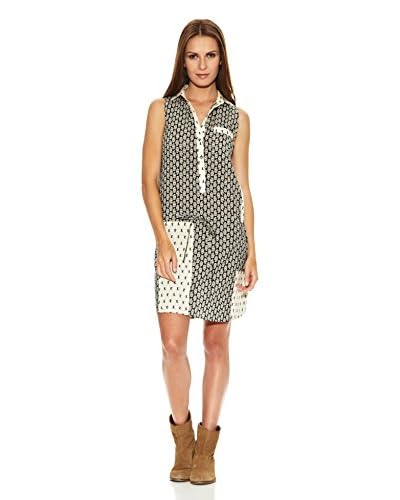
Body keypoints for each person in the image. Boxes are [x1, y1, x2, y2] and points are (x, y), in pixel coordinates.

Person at [141, 18, 258, 485]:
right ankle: (182, 439)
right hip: (176, 236)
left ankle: (206, 449)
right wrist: (162, 239)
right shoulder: (161, 110)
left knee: (215, 343)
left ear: (221, 60)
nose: (202, 64)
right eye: (193, 56)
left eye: (210, 55)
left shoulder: (237, 118)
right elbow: (148, 181)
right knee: (172, 345)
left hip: (227, 237)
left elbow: (243, 188)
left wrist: (251, 250)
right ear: (182, 60)